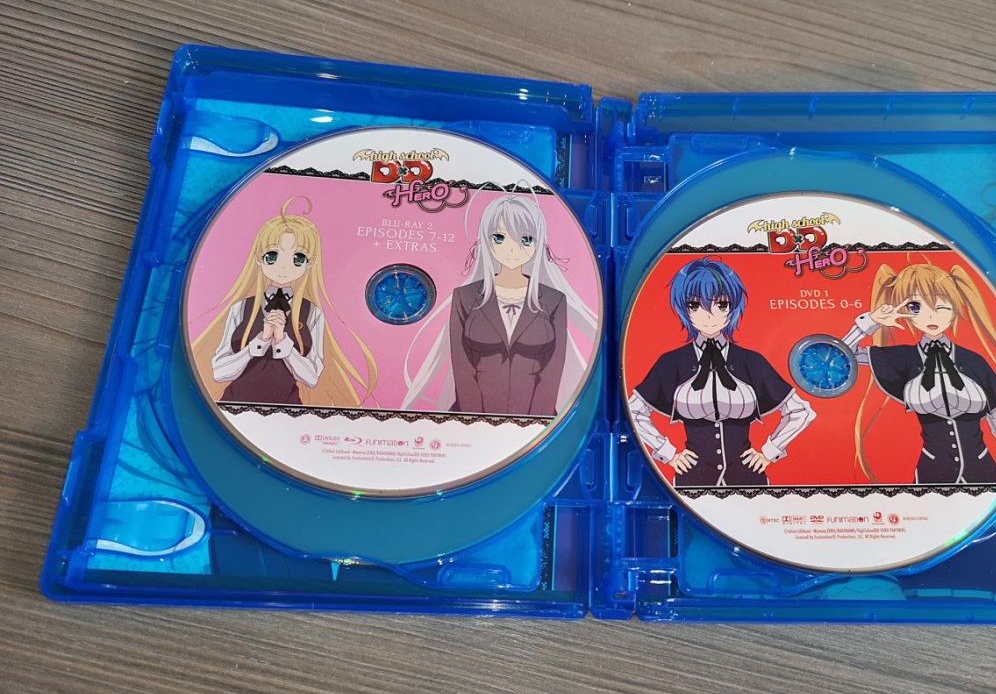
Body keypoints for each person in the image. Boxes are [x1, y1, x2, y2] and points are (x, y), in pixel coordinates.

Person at [402, 193, 597, 417]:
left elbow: (552, 373)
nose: (512, 249)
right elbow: (462, 370)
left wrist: (535, 421)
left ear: (539, 243)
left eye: (525, 239)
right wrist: (474, 421)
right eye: (500, 237)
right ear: (485, 240)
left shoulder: (554, 300)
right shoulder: (465, 297)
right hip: (470, 419)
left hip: (539, 423)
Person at [628, 258, 815, 487]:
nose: (709, 315)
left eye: (721, 305)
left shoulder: (750, 361)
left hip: (748, 480)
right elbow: (633, 412)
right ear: (684, 309)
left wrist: (769, 452)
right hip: (693, 482)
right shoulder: (672, 362)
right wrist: (667, 453)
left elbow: (801, 411)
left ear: (733, 307)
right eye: (695, 306)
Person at [844, 262, 996, 484]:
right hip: (932, 475)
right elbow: (841, 356)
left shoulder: (973, 361)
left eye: (941, 306)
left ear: (955, 305)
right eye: (916, 307)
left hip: (984, 474)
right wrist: (871, 322)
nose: (931, 317)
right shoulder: (903, 358)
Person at [190, 198, 376, 408]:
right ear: (258, 258)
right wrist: (260, 341)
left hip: (287, 411)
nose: (284, 267)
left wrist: (282, 341)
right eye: (272, 256)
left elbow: (312, 377)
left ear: (310, 264)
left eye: (298, 258)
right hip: (233, 407)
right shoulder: (240, 309)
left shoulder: (312, 313)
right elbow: (218, 372)